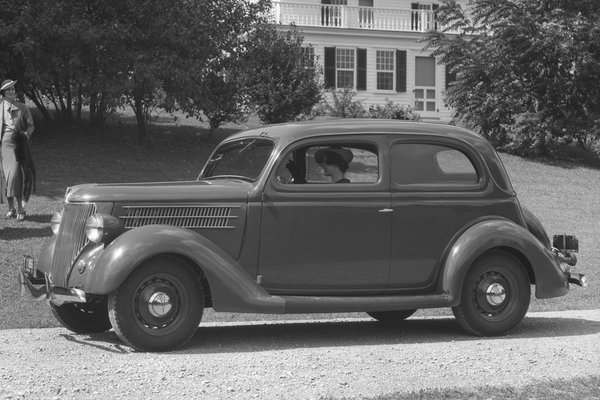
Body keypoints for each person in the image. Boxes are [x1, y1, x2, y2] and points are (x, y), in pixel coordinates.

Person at [1, 79, 35, 221]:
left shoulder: (22, 107)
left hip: (18, 144)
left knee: (15, 175)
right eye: (8, 89)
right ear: (3, 92)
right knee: (5, 177)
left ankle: (21, 208)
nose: (11, 91)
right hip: (3, 144)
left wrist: (25, 135)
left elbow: (31, 125)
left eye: (13, 89)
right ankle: (11, 208)